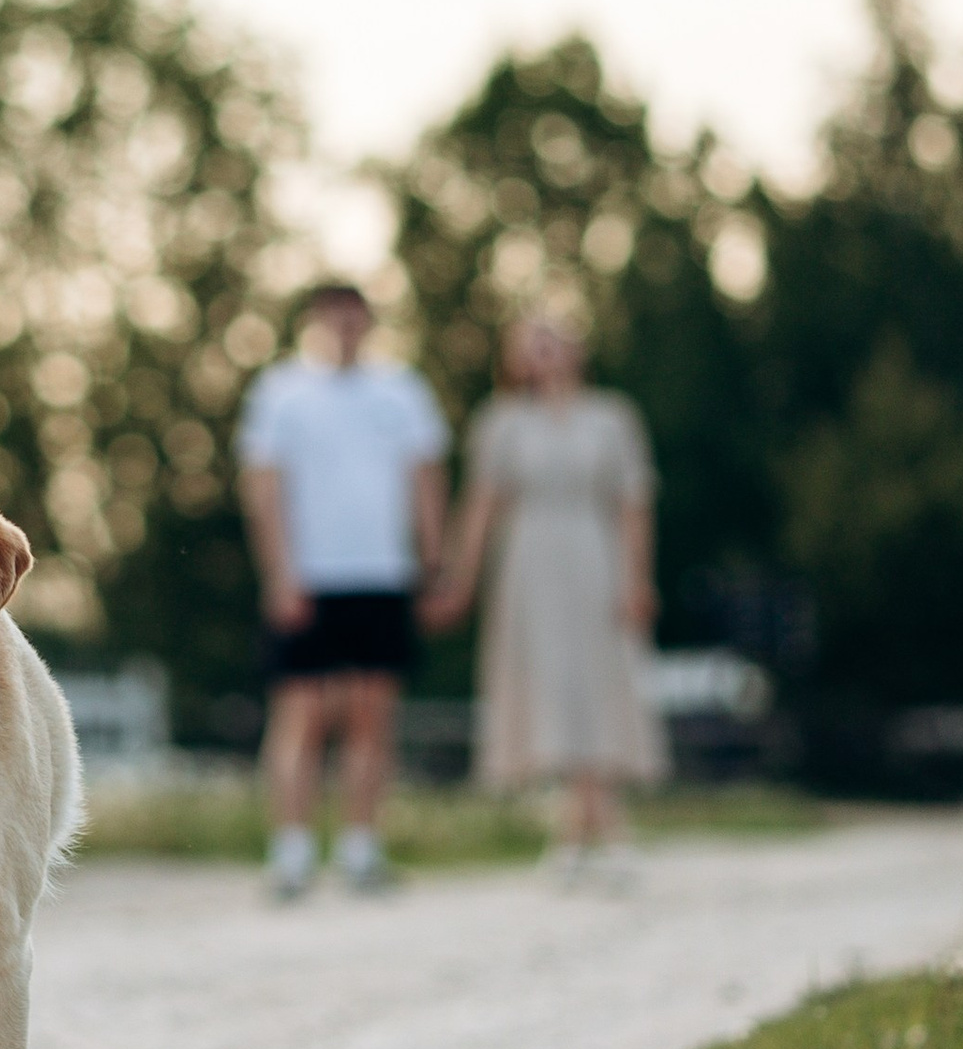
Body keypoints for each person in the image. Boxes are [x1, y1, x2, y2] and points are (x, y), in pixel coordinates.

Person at [236, 282, 451, 897]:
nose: (343, 330)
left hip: (382, 573)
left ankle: (361, 850)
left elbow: (426, 481)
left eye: (354, 319)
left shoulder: (402, 393)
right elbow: (264, 487)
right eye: (332, 319)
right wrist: (280, 573)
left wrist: (433, 568)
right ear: (313, 324)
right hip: (309, 576)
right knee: (300, 715)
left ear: (370, 323)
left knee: (371, 717)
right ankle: (292, 852)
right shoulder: (281, 393)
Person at [438, 313, 664, 872]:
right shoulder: (502, 423)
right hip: (530, 569)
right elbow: (481, 509)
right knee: (550, 690)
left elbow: (633, 506)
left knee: (599, 685)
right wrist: (459, 580)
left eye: (552, 343)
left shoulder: (612, 417)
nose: (544, 355)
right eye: (531, 346)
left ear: (575, 350)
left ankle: (589, 837)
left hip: (594, 557)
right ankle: (590, 836)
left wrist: (637, 579)